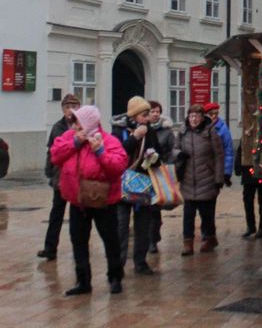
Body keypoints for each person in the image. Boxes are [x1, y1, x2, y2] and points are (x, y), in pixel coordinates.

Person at [49, 105, 128, 295]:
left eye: (77, 121)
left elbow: (118, 167)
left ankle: (115, 277)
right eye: (74, 121)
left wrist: (100, 152)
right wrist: (74, 143)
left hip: (104, 202)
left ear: (88, 123)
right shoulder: (70, 137)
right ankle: (83, 281)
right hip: (78, 201)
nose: (74, 125)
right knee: (78, 240)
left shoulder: (108, 141)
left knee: (110, 240)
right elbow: (55, 155)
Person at [113, 96, 171, 276]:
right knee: (121, 226)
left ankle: (140, 262)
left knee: (143, 225)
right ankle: (118, 263)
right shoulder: (119, 130)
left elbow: (158, 155)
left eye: (148, 114)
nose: (147, 118)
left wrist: (153, 157)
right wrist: (134, 138)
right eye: (144, 114)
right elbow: (117, 153)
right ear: (135, 115)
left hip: (144, 184)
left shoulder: (151, 132)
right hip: (123, 184)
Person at [174, 104, 224, 255]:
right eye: (191, 116)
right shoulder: (182, 132)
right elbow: (174, 149)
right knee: (188, 213)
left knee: (206, 213)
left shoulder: (210, 132)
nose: (194, 119)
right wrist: (178, 154)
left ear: (203, 118)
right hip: (188, 179)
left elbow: (218, 156)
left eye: (197, 116)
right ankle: (187, 243)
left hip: (206, 178)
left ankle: (209, 238)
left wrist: (219, 178)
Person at [37, 93, 81, 260]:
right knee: (56, 213)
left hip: (78, 176)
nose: (70, 110)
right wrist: (49, 171)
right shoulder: (57, 127)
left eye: (74, 107)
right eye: (67, 107)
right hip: (61, 177)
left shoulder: (83, 126)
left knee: (79, 215)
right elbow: (51, 151)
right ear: (63, 109)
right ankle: (50, 247)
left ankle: (80, 247)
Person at [147, 101, 175, 253]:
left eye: (157, 111)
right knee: (146, 208)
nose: (155, 114)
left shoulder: (167, 131)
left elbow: (172, 150)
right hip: (145, 172)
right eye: (152, 111)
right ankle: (148, 238)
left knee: (155, 208)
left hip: (159, 171)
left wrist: (168, 166)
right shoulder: (142, 129)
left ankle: (153, 240)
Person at [235, 141, 262, 238]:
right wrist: (238, 167)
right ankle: (251, 226)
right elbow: (241, 150)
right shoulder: (247, 135)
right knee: (248, 200)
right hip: (249, 170)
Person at [204, 101, 234, 188]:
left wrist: (227, 172)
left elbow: (228, 151)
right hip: (202, 168)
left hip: (216, 168)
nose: (214, 116)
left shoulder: (223, 129)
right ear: (205, 115)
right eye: (211, 114)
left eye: (216, 113)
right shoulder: (201, 127)